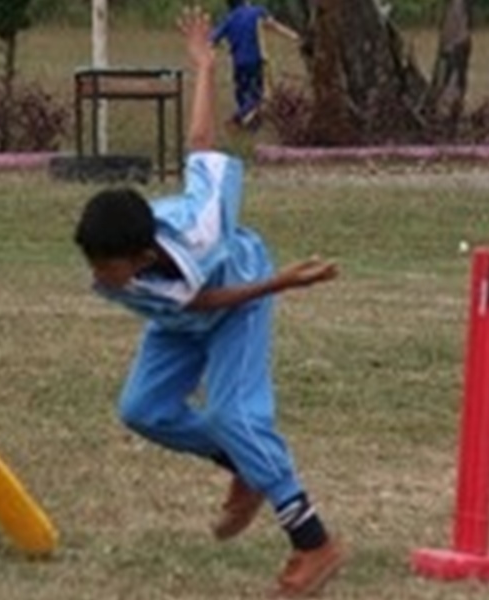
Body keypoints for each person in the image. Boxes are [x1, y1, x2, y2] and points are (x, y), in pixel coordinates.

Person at [73, 7, 345, 598]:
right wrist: (201, 65)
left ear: (140, 256)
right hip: (183, 318)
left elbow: (207, 297)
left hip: (237, 304)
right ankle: (243, 468)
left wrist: (283, 283)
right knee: (143, 409)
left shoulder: (202, 230)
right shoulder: (128, 260)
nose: (97, 277)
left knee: (235, 414)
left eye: (105, 266)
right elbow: (196, 144)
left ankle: (314, 542)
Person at [211, 0, 299, 128]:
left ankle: (248, 123)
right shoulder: (256, 11)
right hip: (254, 60)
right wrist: (294, 36)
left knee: (241, 93)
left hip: (238, 62)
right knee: (256, 95)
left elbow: (212, 40)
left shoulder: (229, 18)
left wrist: (222, 46)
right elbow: (274, 25)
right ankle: (238, 117)